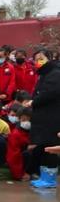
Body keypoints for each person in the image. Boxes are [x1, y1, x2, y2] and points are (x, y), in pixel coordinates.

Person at [29, 50, 60, 188]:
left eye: (41, 58)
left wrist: (33, 102)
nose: (38, 61)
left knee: (51, 148)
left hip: (52, 119)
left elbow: (48, 93)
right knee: (44, 147)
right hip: (44, 119)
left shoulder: (55, 74)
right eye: (36, 59)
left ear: (50, 58)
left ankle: (49, 179)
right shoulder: (45, 74)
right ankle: (44, 177)